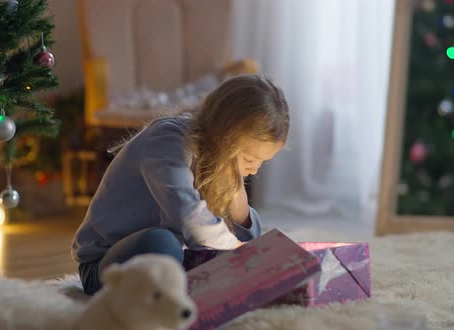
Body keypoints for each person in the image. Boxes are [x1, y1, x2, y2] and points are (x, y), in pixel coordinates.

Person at [71, 75, 290, 295]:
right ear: (225, 138)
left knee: (224, 248)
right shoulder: (166, 140)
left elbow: (247, 240)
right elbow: (188, 217)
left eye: (263, 161)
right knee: (161, 242)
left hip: (176, 258)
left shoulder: (219, 163)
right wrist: (236, 250)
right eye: (250, 159)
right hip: (107, 265)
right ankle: (175, 295)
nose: (255, 170)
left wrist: (234, 191)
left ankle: (187, 286)